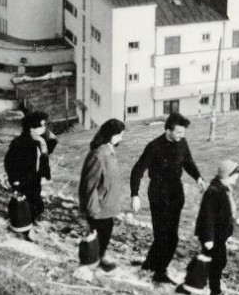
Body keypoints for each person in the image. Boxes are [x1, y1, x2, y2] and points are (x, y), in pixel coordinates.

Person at [130, 112, 206, 284]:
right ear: (168, 130)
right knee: (164, 235)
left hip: (176, 191)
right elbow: (137, 170)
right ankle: (158, 271)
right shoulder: (154, 146)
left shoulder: (182, 142)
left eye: (183, 132)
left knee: (170, 235)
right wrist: (135, 195)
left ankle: (151, 265)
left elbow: (188, 162)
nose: (182, 135)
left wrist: (198, 178)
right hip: (158, 192)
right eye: (179, 132)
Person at [177, 158, 239, 295]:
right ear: (227, 175)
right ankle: (213, 292)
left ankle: (191, 285)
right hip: (212, 236)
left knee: (210, 260)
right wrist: (209, 238)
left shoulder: (223, 189)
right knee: (215, 261)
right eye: (234, 177)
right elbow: (208, 216)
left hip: (218, 235)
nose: (236, 180)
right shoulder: (214, 191)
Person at [78, 118, 126, 273]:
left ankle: (98, 258)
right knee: (99, 235)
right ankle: (91, 262)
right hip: (99, 207)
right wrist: (92, 209)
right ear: (111, 135)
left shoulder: (109, 151)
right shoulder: (98, 155)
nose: (121, 138)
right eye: (119, 135)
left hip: (107, 205)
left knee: (105, 234)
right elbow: (89, 185)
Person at [4, 111, 58, 224]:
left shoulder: (38, 140)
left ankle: (31, 222)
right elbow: (9, 163)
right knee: (27, 206)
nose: (44, 128)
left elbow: (49, 147)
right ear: (32, 128)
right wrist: (15, 181)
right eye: (41, 125)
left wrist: (48, 135)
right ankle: (23, 226)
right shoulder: (19, 143)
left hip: (35, 178)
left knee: (36, 205)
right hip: (23, 181)